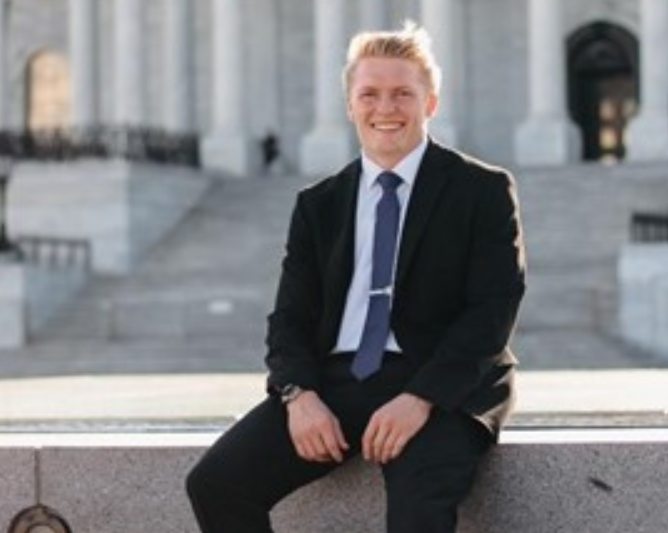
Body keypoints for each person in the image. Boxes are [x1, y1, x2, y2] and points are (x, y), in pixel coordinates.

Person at [186, 21, 526, 533]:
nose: (385, 108)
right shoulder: (318, 204)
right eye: (369, 94)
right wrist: (299, 395)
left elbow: (493, 310)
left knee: (416, 515)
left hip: (442, 380)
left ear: (430, 103)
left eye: (402, 93)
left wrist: (421, 398)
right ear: (350, 105)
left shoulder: (482, 190)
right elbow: (291, 317)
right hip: (336, 379)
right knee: (216, 484)